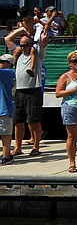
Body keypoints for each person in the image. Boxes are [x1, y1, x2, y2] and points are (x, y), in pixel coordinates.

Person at [4, 25, 49, 156]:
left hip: (33, 89)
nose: (23, 48)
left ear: (30, 45)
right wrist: (20, 30)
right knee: (18, 120)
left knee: (34, 120)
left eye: (25, 45)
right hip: (19, 90)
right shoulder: (18, 53)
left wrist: (42, 35)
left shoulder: (37, 53)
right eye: (21, 45)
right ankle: (18, 147)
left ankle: (36, 146)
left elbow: (44, 43)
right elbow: (7, 39)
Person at [0, 54, 15, 165]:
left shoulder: (8, 73)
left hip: (4, 107)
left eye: (2, 61)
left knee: (5, 133)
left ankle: (6, 155)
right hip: (3, 106)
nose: (0, 63)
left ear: (9, 63)